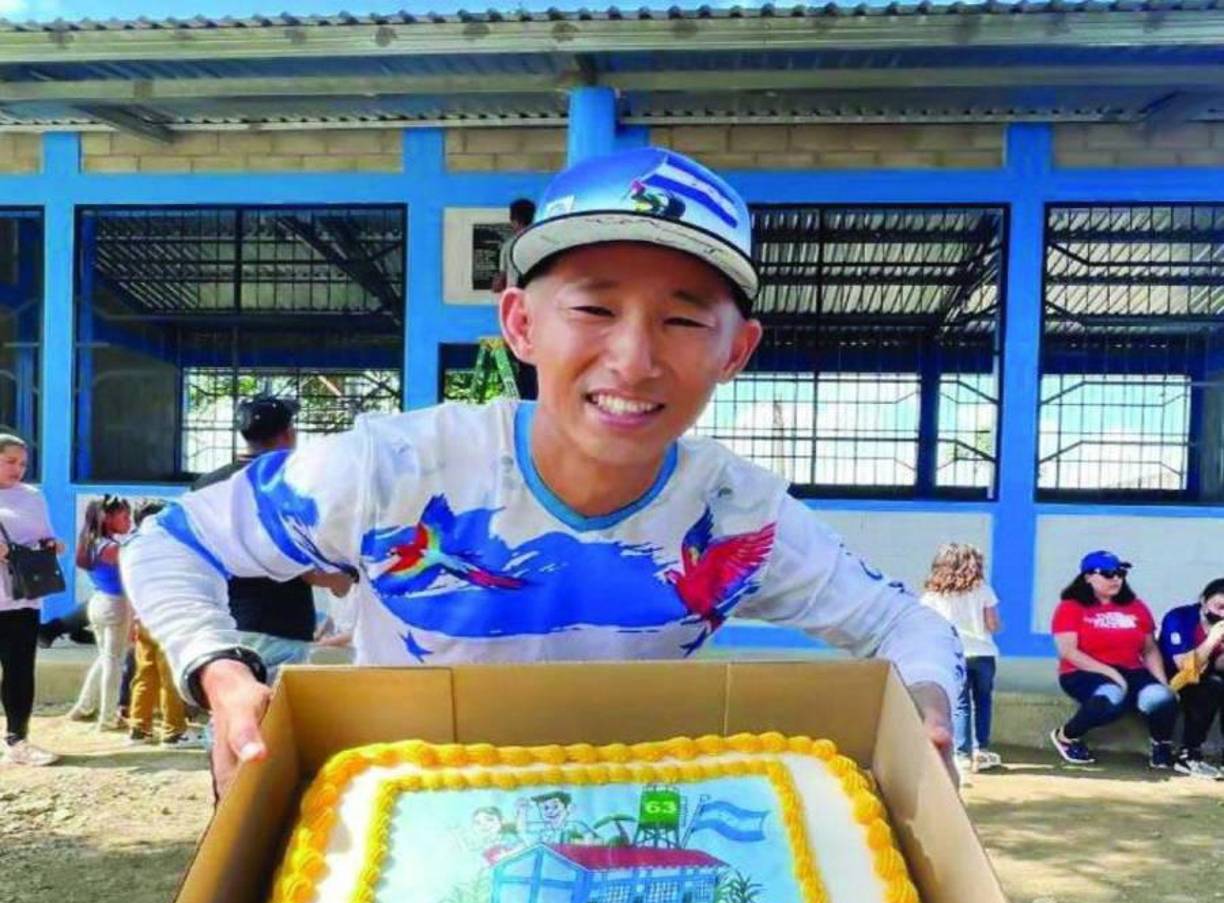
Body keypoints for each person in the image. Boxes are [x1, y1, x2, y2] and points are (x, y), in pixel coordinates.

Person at [123, 147, 962, 798]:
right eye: (594, 309)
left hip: (619, 827)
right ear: (521, 325)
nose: (633, 361)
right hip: (402, 815)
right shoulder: (392, 469)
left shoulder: (740, 516)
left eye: (682, 319)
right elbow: (166, 546)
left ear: (735, 350)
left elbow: (911, 626)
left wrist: (929, 706)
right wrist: (223, 673)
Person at [189, 394, 353, 686]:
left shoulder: (206, 485)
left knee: (232, 714)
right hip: (279, 626)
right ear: (289, 434)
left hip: (223, 623)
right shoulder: (288, 485)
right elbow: (302, 564)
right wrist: (344, 579)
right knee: (271, 719)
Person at [1049, 550, 1178, 769]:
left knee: (1161, 698)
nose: (1116, 578)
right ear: (1088, 576)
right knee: (1111, 697)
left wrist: (1163, 683)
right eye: (1108, 574)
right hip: (1082, 671)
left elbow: (1149, 649)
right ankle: (1066, 736)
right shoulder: (1070, 607)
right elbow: (1069, 652)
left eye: (1120, 573)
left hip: (1132, 669)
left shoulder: (1136, 606)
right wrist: (1112, 675)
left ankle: (1161, 745)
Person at [0, 432, 63, 766]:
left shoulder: (32, 497)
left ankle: (17, 740)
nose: (18, 469)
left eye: (23, 463)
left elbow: (45, 534)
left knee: (20, 670)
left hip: (23, 598)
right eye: (10, 461)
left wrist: (53, 544)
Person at [125, 500, 204, 748]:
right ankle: (173, 731)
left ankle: (139, 728)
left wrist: (132, 619)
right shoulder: (171, 546)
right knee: (169, 674)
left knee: (144, 672)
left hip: (144, 616)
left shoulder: (133, 546)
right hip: (169, 617)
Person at [921, 543, 1002, 776]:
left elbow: (927, 624)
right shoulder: (984, 590)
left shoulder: (932, 595)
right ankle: (982, 750)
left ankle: (962, 754)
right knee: (983, 700)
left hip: (953, 653)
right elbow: (993, 624)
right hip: (984, 653)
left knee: (961, 704)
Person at [68, 495, 134, 730]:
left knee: (105, 658)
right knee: (114, 663)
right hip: (116, 605)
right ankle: (107, 718)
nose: (129, 521)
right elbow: (130, 582)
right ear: (108, 518)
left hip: (98, 603)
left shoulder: (91, 543)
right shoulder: (113, 548)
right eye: (125, 516)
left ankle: (84, 706)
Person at [1158, 578, 1224, 780]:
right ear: (1204, 601)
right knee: (1213, 686)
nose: (1223, 614)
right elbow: (1185, 669)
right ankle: (1189, 755)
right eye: (1220, 606)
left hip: (1206, 676)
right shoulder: (1179, 618)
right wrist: (1213, 638)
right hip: (1174, 679)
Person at [489, 197, 537, 295]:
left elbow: (499, 284)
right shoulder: (543, 241)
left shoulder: (508, 246)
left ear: (515, 221)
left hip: (516, 299)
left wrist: (495, 283)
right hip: (538, 298)